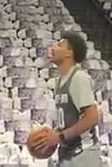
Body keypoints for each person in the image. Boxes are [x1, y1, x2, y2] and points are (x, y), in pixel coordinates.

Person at [28, 31, 101, 166]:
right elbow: (70, 119)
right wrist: (52, 134)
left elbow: (92, 117)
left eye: (59, 45)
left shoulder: (79, 78)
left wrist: (60, 136)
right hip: (68, 153)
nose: (54, 47)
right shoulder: (59, 81)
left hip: (83, 154)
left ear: (69, 53)